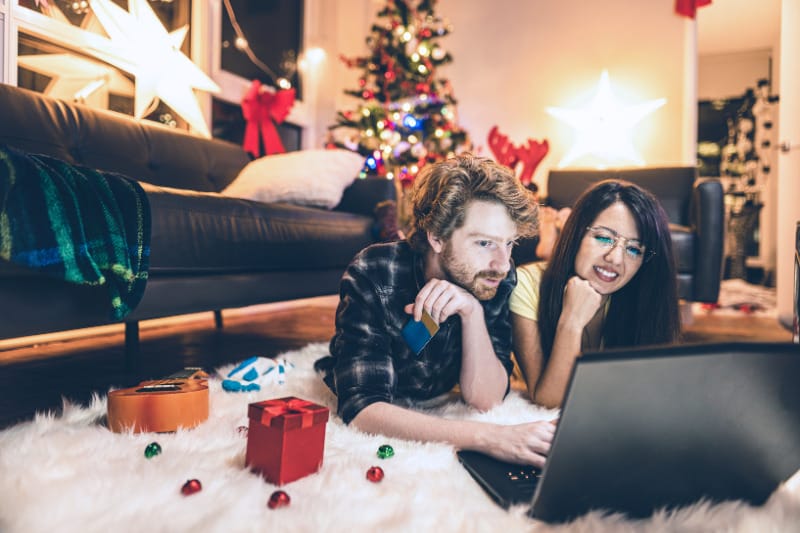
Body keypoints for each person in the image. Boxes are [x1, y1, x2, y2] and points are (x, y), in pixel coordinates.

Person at [315, 154, 555, 466]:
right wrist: (488, 437)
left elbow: (486, 399)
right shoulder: (374, 271)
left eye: (509, 243)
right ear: (437, 237)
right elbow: (362, 409)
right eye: (485, 243)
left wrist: (472, 313)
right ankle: (386, 218)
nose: (502, 263)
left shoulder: (494, 276)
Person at [510, 179, 681, 408]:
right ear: (576, 233)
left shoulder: (639, 295)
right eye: (603, 238)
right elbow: (550, 400)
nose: (615, 259)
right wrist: (571, 322)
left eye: (633, 249)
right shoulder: (527, 284)